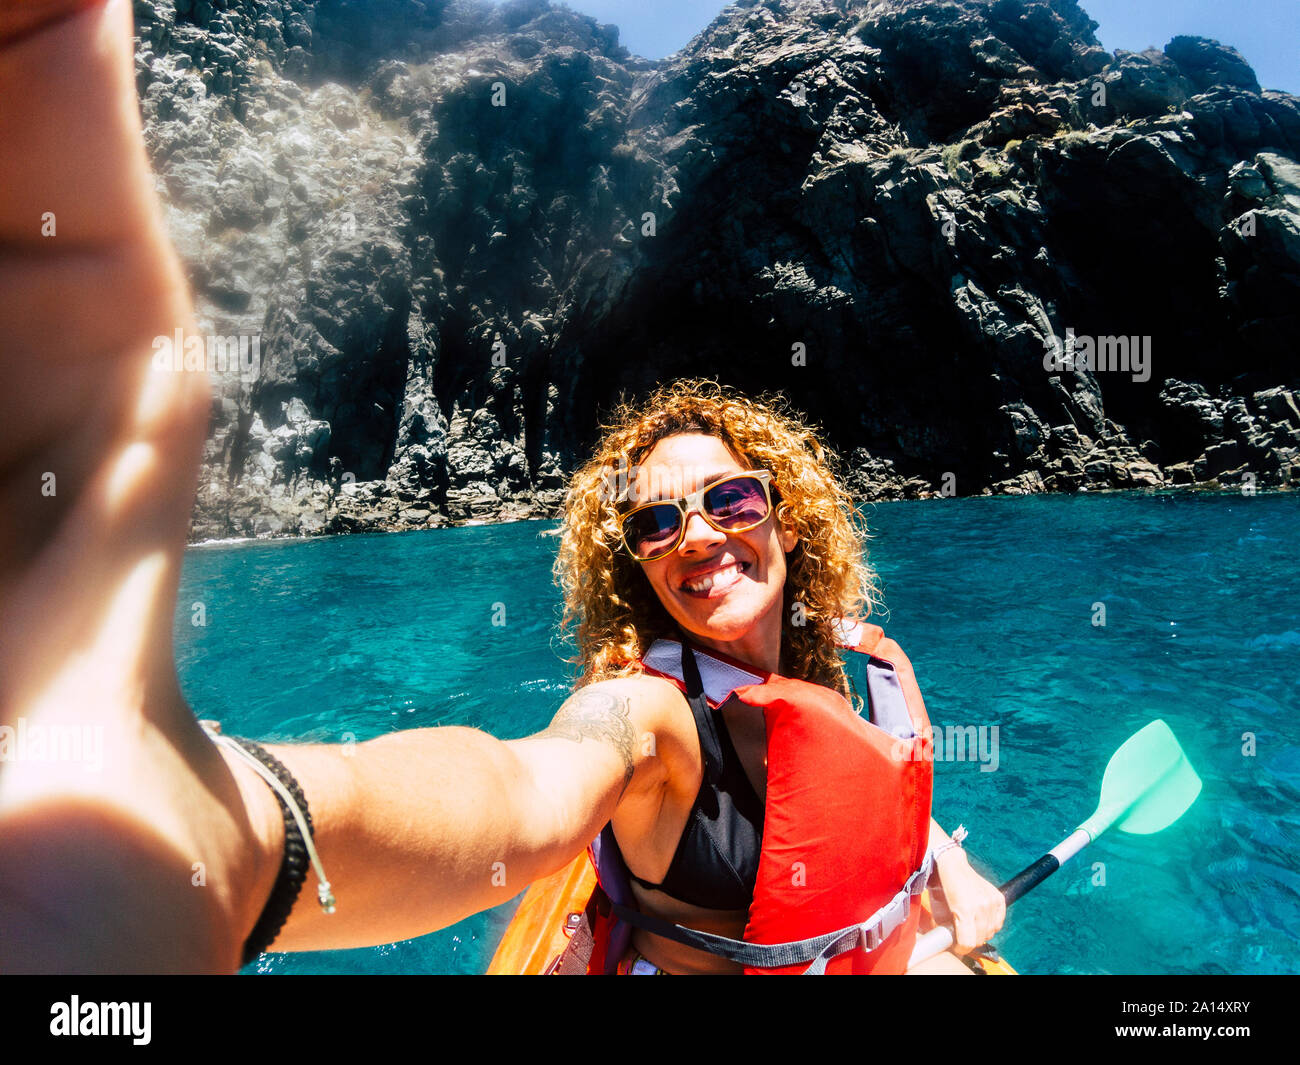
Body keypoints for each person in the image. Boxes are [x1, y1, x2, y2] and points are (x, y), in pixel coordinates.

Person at [0, 0, 1004, 974]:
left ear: (784, 518)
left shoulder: (872, 665)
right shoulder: (646, 718)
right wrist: (245, 828)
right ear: (637, 562)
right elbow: (517, 788)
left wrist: (948, 865)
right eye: (655, 520)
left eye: (730, 500)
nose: (698, 535)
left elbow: (883, 791)